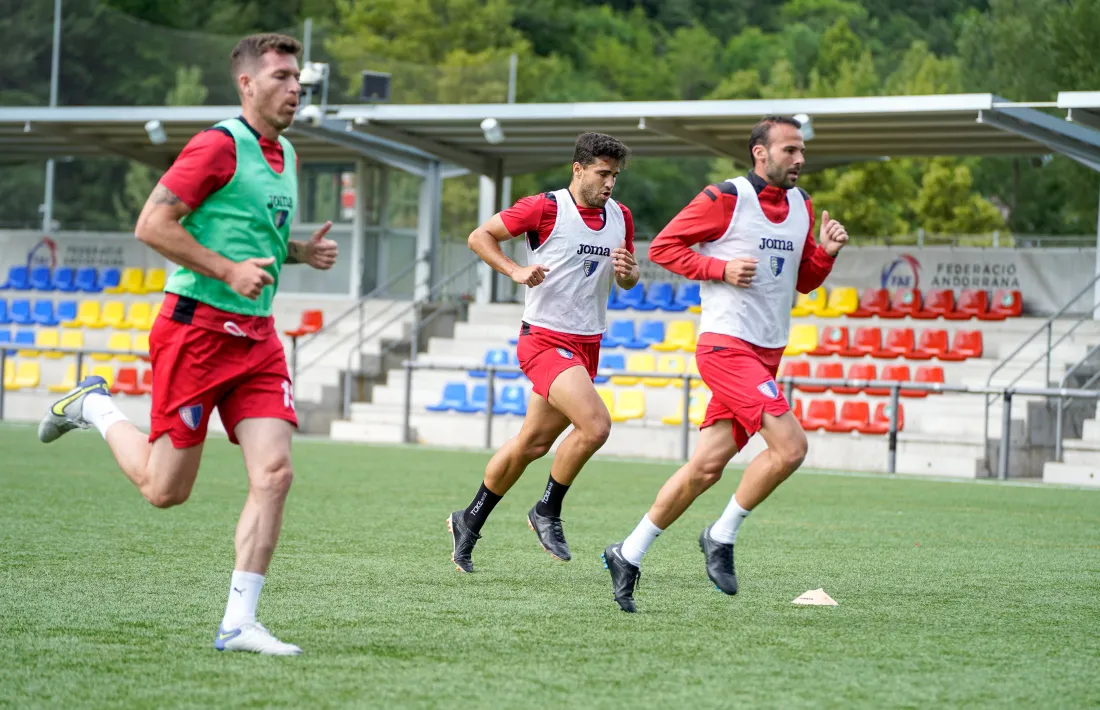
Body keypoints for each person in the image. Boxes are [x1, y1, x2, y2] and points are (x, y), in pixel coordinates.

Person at [37, 33, 338, 654]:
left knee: (275, 473)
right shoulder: (216, 146)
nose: (294, 89)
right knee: (165, 491)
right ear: (247, 84)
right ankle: (93, 406)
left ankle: (239, 623)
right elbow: (152, 224)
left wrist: (301, 253)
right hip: (196, 330)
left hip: (256, 337)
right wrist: (227, 271)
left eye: (297, 80)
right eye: (281, 77)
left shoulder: (287, 153)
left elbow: (256, 237)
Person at [603, 115, 849, 612]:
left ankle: (627, 553)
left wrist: (825, 253)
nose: (800, 159)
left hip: (767, 351)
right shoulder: (727, 197)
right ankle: (721, 534)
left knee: (706, 468)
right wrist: (719, 268)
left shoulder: (802, 205)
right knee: (791, 448)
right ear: (760, 153)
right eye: (790, 150)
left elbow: (802, 281)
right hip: (726, 347)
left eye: (802, 150)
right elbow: (665, 247)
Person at [447, 132, 639, 573]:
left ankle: (468, 519)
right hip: (546, 340)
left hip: (588, 342)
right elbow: (480, 237)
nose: (610, 183)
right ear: (578, 169)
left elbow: (625, 280)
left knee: (531, 444)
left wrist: (630, 273)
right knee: (595, 426)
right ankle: (547, 510)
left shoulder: (621, 216)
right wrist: (515, 269)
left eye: (615, 175)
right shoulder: (546, 207)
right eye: (603, 173)